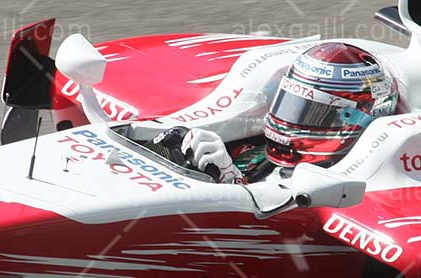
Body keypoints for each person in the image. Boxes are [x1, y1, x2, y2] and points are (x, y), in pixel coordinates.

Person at [153, 41, 399, 183]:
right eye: (291, 104)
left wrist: (231, 184)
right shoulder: (254, 154)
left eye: (315, 113)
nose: (288, 122)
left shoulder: (364, 184)